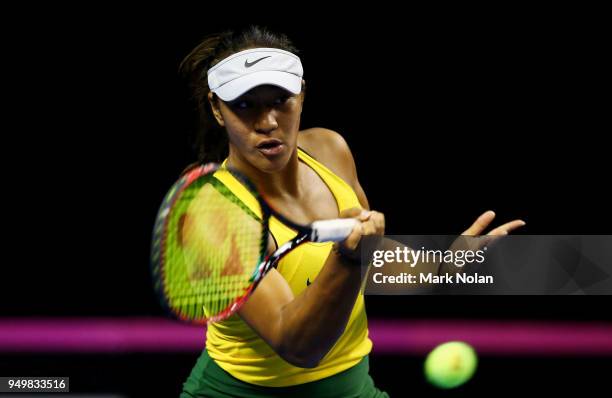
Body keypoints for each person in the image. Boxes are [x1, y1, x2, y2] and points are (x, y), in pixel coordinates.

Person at [177, 26, 525, 398]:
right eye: (245, 104)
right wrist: (346, 259)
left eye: (281, 99)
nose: (268, 122)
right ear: (217, 108)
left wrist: (440, 267)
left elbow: (371, 257)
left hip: (352, 387)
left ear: (303, 95)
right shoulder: (210, 212)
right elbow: (298, 345)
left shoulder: (329, 150)